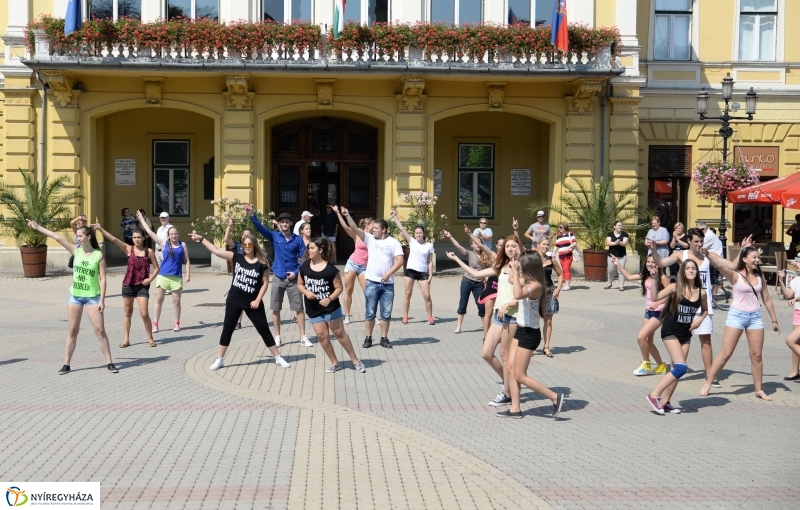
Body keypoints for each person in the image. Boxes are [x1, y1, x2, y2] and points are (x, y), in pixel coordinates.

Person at [189, 232, 291, 371]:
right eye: (245, 244)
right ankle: (219, 359)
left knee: (264, 330)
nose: (247, 246)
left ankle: (278, 357)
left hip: (252, 303)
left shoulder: (261, 264)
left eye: (250, 244)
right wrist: (201, 239)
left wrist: (257, 300)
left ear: (254, 245)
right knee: (227, 329)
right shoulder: (236, 257)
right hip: (234, 300)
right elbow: (216, 251)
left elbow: (265, 283)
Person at [26, 220, 118, 374]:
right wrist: (37, 227)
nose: (78, 238)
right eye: (77, 236)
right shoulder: (76, 251)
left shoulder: (98, 255)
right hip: (75, 296)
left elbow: (103, 279)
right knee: (72, 331)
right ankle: (66, 364)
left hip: (92, 297)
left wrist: (102, 300)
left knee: (100, 330)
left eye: (80, 236)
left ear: (88, 237)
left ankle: (109, 362)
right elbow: (56, 237)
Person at [447, 235, 523, 407]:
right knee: (486, 353)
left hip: (512, 316)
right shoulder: (500, 266)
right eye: (508, 246)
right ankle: (510, 383)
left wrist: (510, 303)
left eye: (514, 246)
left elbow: (525, 293)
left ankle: (507, 392)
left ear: (519, 247)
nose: (510, 249)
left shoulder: (522, 266)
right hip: (498, 315)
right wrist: (456, 259)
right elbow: (475, 273)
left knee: (505, 355)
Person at [700, 245, 780, 400]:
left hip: (755, 317)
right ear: (744, 259)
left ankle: (759, 390)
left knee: (757, 355)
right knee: (726, 353)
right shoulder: (735, 275)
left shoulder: (760, 276)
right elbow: (719, 265)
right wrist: (708, 254)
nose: (757, 260)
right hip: (736, 316)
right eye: (754, 257)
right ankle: (708, 383)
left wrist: (774, 320)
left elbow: (767, 299)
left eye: (758, 257)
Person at [496, 252, 564, 418]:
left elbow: (518, 295)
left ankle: (554, 397)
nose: (519, 266)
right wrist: (513, 266)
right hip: (521, 330)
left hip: (530, 334)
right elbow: (511, 280)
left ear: (528, 266)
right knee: (511, 368)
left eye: (521, 264)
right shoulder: (527, 281)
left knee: (520, 375)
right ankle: (515, 409)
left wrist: (516, 270)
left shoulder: (535, 285)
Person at [649, 228, 718, 387]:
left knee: (706, 340)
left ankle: (709, 376)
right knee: (679, 341)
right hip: (684, 304)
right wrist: (653, 249)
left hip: (702, 302)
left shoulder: (707, 256)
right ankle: (675, 372)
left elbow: (728, 266)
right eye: (696, 241)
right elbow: (660, 263)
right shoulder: (681, 255)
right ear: (689, 241)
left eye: (701, 241)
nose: (699, 244)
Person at [645, 259, 708, 415]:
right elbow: (655, 297)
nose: (691, 270)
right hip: (670, 330)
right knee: (681, 367)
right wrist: (655, 279)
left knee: (676, 371)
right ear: (683, 272)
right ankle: (654, 395)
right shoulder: (675, 288)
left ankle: (665, 402)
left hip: (685, 334)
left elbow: (705, 310)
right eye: (688, 268)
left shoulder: (702, 292)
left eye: (694, 268)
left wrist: (700, 319)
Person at [246, 206, 312, 348]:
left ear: (290, 223)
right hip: (278, 276)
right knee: (276, 308)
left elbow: (304, 258)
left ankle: (303, 336)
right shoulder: (275, 236)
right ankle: (277, 336)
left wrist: (296, 272)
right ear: (280, 224)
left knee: (299, 308)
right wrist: (252, 214)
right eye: (282, 222)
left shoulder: (298, 240)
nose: (284, 224)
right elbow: (260, 228)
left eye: (287, 222)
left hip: (293, 278)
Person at [297, 237, 366, 373]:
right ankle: (335, 363)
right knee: (322, 336)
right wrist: (306, 292)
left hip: (331, 308)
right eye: (309, 248)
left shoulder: (331, 269)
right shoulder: (304, 266)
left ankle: (355, 360)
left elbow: (339, 288)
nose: (309, 250)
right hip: (313, 308)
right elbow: (299, 284)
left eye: (312, 248)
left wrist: (329, 298)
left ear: (320, 250)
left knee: (339, 333)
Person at [341, 207, 404, 349]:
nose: (373, 230)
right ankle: (368, 338)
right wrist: (347, 215)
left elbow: (400, 261)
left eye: (376, 228)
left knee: (386, 313)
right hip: (372, 283)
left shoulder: (393, 242)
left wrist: (388, 274)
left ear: (384, 229)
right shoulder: (369, 239)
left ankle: (384, 338)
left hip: (388, 284)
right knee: (370, 312)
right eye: (373, 228)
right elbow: (354, 228)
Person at [94, 223, 160, 348]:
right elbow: (113, 239)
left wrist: (150, 279)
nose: (136, 240)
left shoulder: (148, 251)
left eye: (139, 237)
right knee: (128, 312)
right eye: (134, 237)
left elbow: (157, 268)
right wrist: (101, 229)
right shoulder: (129, 249)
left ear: (143, 238)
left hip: (142, 286)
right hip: (128, 284)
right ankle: (126, 339)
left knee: (144, 313)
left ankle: (150, 338)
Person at [611, 255, 669, 376]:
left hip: (659, 312)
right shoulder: (646, 275)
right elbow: (629, 277)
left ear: (658, 264)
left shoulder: (662, 277)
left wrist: (658, 302)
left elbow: (671, 295)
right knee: (648, 341)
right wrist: (618, 264)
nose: (650, 264)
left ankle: (646, 364)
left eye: (653, 262)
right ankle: (661, 366)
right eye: (648, 261)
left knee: (640, 337)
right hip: (648, 311)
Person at [137, 210, 190, 333]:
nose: (174, 236)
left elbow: (187, 260)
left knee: (176, 301)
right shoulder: (163, 243)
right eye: (171, 234)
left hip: (176, 276)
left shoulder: (182, 245)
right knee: (159, 300)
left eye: (175, 233)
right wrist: (141, 219)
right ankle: (155, 324)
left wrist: (188, 274)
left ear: (178, 234)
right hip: (163, 276)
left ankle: (176, 323)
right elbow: (149, 231)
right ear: (168, 235)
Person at [390, 209, 435, 325]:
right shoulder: (412, 242)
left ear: (423, 233)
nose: (418, 234)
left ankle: (430, 317)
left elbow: (430, 262)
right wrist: (394, 217)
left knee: (427, 295)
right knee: (407, 293)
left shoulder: (429, 246)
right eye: (416, 233)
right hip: (410, 271)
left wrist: (430, 275)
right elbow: (402, 229)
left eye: (420, 233)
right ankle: (405, 316)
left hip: (422, 273)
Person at [442, 229, 488, 334]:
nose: (477, 244)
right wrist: (450, 236)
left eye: (479, 242)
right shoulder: (469, 253)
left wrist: (486, 282)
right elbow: (458, 247)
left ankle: (486, 328)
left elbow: (487, 271)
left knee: (481, 305)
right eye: (475, 243)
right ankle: (458, 327)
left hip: (479, 283)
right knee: (463, 303)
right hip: (467, 281)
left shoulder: (486, 256)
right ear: (472, 245)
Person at [332, 206, 371, 325]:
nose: (374, 227)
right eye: (372, 225)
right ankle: (347, 315)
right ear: (366, 226)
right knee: (348, 290)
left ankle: (371, 315)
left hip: (365, 267)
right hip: (352, 264)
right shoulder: (358, 234)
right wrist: (338, 213)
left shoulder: (374, 238)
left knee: (369, 292)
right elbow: (345, 226)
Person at [224, 218, 254, 330]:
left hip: (250, 277)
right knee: (237, 299)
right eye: (244, 235)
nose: (246, 237)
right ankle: (238, 321)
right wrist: (229, 226)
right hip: (239, 277)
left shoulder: (253, 247)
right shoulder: (238, 246)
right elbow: (226, 239)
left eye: (248, 235)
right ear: (241, 236)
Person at [537, 237, 563, 358]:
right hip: (535, 294)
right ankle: (530, 346)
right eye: (543, 244)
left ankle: (546, 347)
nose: (545, 246)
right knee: (533, 321)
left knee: (548, 321)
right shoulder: (533, 259)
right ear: (538, 245)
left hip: (549, 293)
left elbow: (561, 274)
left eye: (547, 244)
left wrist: (558, 289)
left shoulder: (551, 260)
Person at [777, 269, 800, 381]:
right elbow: (788, 295)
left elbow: (795, 297)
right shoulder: (796, 280)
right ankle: (795, 372)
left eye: (798, 263)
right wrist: (781, 280)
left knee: (791, 340)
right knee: (796, 343)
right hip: (798, 313)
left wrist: (796, 298)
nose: (796, 265)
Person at [696, 221, 723, 300]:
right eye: (698, 230)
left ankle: (713, 296)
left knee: (712, 278)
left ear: (705, 228)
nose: (699, 231)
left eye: (701, 229)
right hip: (711, 259)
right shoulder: (706, 234)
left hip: (715, 260)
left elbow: (700, 247)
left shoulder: (708, 236)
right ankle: (710, 295)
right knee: (710, 278)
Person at [605, 220, 629, 290]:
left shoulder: (625, 234)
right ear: (614, 226)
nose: (620, 227)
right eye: (618, 225)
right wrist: (615, 243)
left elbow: (624, 243)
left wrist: (619, 243)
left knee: (621, 271)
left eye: (621, 225)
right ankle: (609, 283)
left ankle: (621, 285)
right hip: (611, 256)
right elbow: (608, 243)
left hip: (622, 256)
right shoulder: (610, 234)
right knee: (610, 270)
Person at [555, 222, 577, 291]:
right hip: (561, 255)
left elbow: (574, 242)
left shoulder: (570, 234)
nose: (559, 229)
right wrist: (553, 253)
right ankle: (566, 284)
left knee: (566, 268)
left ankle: (567, 285)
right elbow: (557, 245)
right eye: (559, 227)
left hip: (568, 254)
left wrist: (568, 247)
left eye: (561, 227)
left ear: (565, 228)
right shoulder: (558, 236)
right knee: (563, 269)